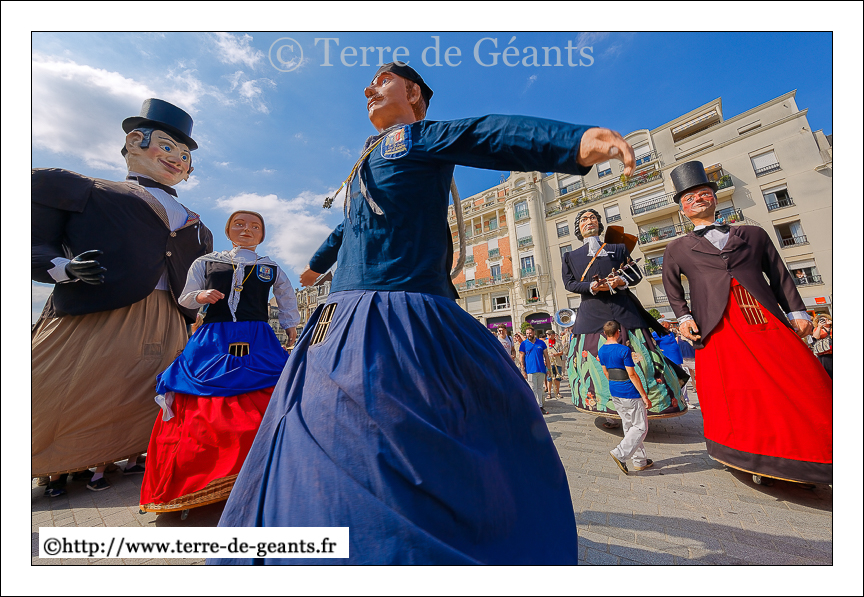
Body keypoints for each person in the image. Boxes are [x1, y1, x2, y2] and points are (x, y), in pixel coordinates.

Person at [212, 62, 638, 565]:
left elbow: (485, 133)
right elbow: (349, 226)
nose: (368, 88)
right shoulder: (366, 157)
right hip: (339, 312)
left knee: (410, 426)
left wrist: (571, 142)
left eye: (382, 80)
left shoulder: (418, 137)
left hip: (401, 309)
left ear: (413, 92)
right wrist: (317, 266)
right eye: (369, 84)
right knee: (315, 422)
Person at [32, 99, 213, 495]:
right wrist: (65, 268)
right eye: (168, 146)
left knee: (150, 387)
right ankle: (54, 462)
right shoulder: (90, 190)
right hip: (101, 307)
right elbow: (33, 244)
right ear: (134, 141)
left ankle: (132, 452)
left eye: (185, 156)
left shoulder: (199, 225)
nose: (178, 160)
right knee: (74, 384)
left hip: (170, 314)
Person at [661, 160, 832, 485]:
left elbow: (779, 273)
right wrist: (683, 317)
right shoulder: (676, 248)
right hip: (715, 325)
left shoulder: (753, 234)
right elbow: (671, 287)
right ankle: (747, 453)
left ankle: (818, 452)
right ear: (683, 210)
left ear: (715, 197)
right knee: (735, 391)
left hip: (761, 315)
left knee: (798, 377)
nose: (697, 199)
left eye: (703, 193)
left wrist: (796, 311)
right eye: (689, 198)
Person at [139, 211, 299, 514]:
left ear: (262, 234)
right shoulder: (207, 262)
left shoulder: (270, 267)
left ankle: (262, 472)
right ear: (228, 230)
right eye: (239, 224)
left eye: (255, 226)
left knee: (269, 395)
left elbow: (286, 297)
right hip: (213, 339)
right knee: (202, 404)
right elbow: (185, 297)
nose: (247, 229)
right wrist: (200, 296)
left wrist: (291, 325)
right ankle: (201, 480)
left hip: (258, 338)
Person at [561, 209, 686, 430]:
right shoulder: (570, 256)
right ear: (578, 228)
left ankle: (648, 405)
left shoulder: (618, 248)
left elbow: (635, 274)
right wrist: (591, 286)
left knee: (643, 362)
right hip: (591, 316)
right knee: (595, 366)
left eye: (593, 218)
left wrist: (620, 281)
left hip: (623, 312)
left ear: (599, 224)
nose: (589, 222)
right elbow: (569, 284)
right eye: (584, 219)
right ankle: (609, 411)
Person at [599, 320, 653, 474]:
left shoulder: (601, 350)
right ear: (618, 332)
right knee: (640, 427)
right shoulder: (624, 350)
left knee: (629, 426)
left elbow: (606, 373)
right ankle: (620, 453)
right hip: (629, 392)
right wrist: (644, 396)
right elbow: (632, 374)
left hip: (615, 390)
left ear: (605, 333)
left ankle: (640, 461)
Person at [519, 325, 551, 414]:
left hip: (541, 369)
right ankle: (534, 407)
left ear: (534, 333)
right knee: (533, 389)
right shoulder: (524, 344)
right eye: (527, 333)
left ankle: (540, 406)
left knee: (540, 388)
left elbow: (546, 356)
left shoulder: (541, 343)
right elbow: (521, 357)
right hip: (530, 370)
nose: (528, 335)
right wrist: (523, 370)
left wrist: (548, 369)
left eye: (530, 333)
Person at [810, 314, 833, 379]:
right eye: (822, 320)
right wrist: (819, 327)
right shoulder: (817, 329)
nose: (824, 321)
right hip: (824, 354)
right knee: (829, 373)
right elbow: (816, 337)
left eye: (825, 319)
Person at [545, 329, 565, 399]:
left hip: (557, 362)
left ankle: (558, 392)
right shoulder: (545, 342)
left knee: (558, 378)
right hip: (549, 363)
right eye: (547, 335)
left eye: (549, 334)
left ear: (553, 335)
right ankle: (549, 393)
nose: (548, 336)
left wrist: (555, 354)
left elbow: (562, 352)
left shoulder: (558, 342)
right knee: (549, 378)